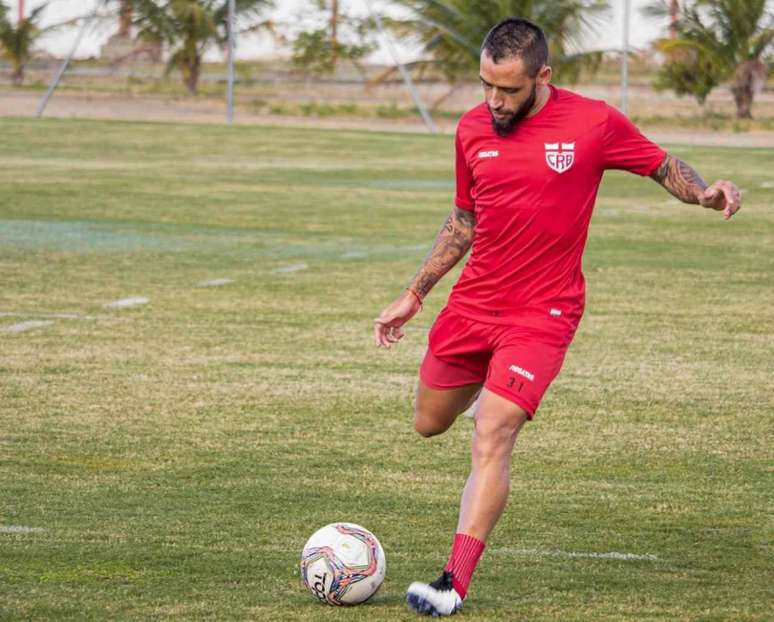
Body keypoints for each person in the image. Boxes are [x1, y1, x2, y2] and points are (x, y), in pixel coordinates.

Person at [373, 16, 742, 618]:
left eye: (509, 90)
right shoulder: (471, 128)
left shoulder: (592, 122)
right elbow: (464, 219)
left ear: (543, 76)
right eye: (487, 86)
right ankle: (488, 385)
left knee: (492, 433)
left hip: (543, 312)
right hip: (473, 304)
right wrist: (415, 293)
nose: (494, 101)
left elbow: (661, 164)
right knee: (429, 422)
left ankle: (452, 584)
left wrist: (702, 193)